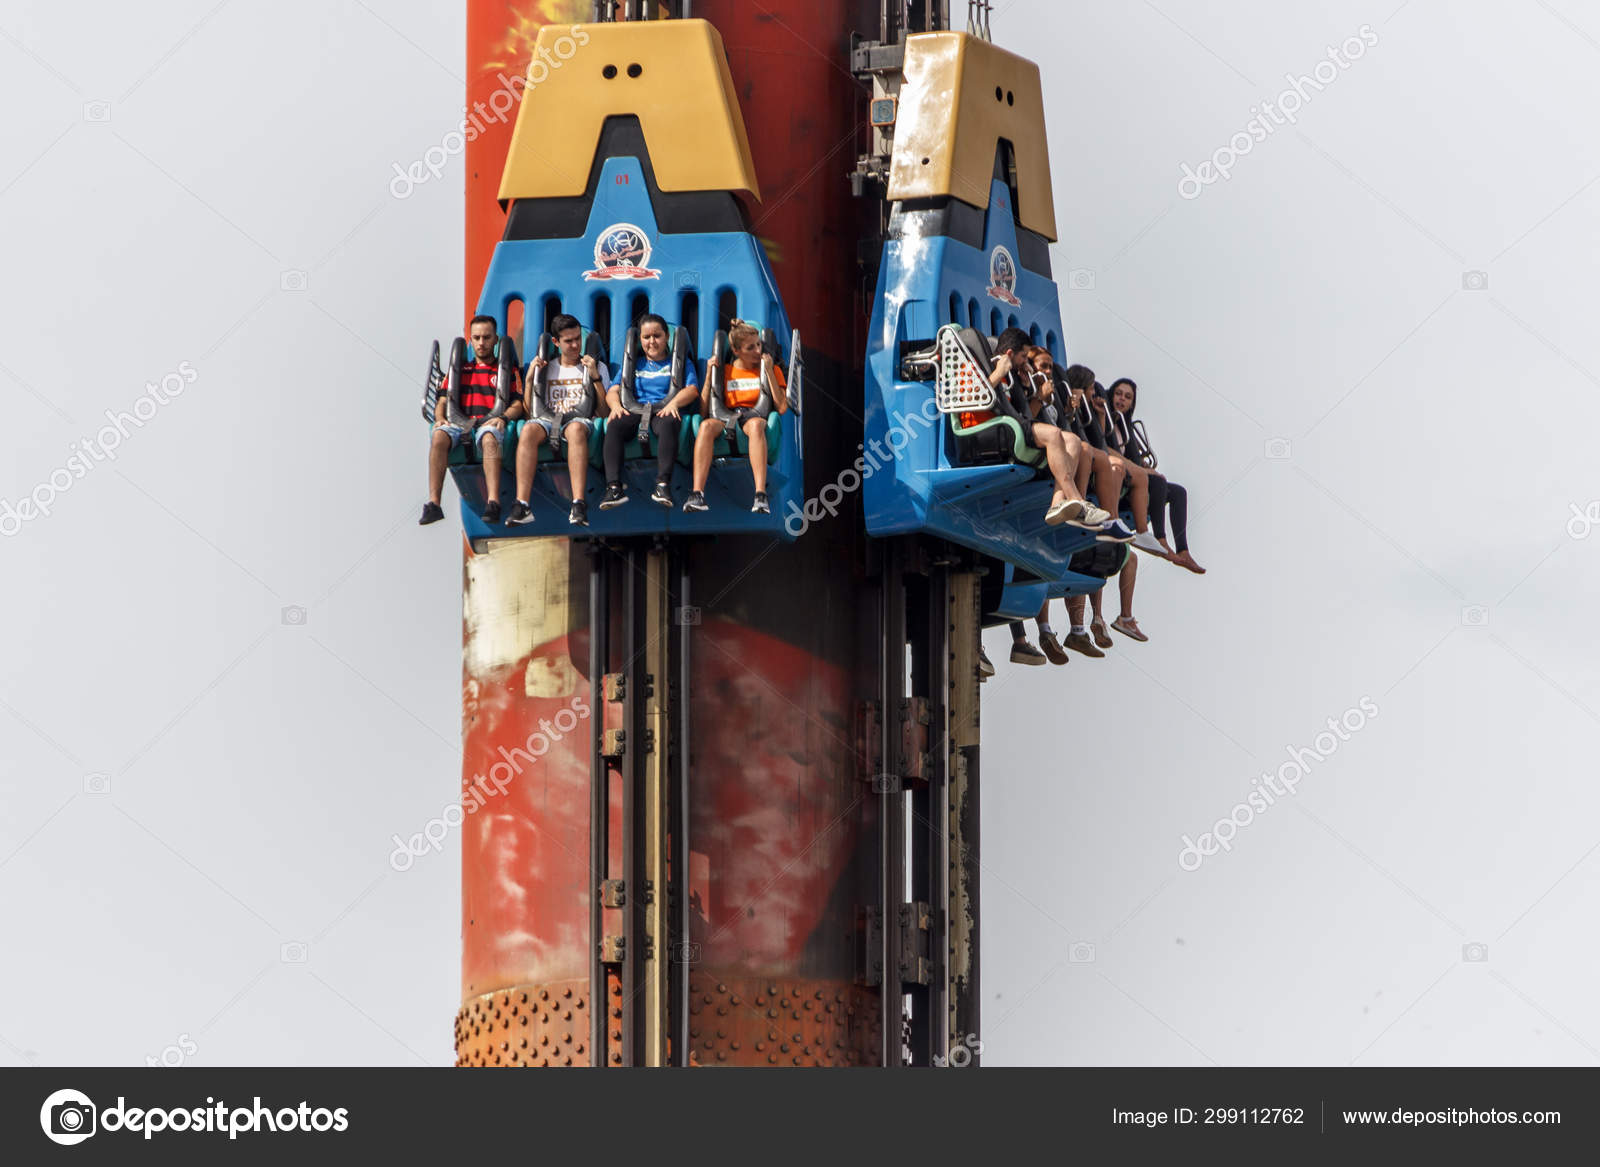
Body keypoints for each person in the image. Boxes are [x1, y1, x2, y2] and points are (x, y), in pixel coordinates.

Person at [507, 314, 608, 527]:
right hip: (547, 420)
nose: (574, 345)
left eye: (577, 339)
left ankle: (579, 503)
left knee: (575, 430)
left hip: (580, 420)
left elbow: (604, 412)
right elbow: (529, 413)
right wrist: (528, 380)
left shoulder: (595, 366)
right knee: (527, 430)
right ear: (556, 342)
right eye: (568, 341)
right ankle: (522, 504)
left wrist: (595, 377)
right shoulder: (547, 369)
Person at [421, 315, 524, 525]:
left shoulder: (507, 371)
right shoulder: (459, 371)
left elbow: (518, 404)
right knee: (439, 436)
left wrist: (503, 418)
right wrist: (440, 419)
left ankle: (493, 501)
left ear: (495, 340)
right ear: (470, 339)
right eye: (476, 338)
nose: (481, 343)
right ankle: (434, 503)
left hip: (490, 423)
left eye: (486, 338)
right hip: (460, 424)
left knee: (489, 439)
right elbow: (442, 401)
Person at [684, 319, 788, 514]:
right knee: (705, 426)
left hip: (753, 418)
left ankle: (760, 494)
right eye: (751, 348)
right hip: (726, 418)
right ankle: (697, 493)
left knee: (756, 425)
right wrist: (708, 375)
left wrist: (770, 373)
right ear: (736, 351)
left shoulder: (771, 369)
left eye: (758, 345)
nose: (758, 351)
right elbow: (704, 410)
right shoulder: (726, 372)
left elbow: (782, 407)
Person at [599, 314, 699, 510]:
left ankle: (662, 485)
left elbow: (692, 390)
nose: (652, 341)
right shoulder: (633, 364)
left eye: (657, 336)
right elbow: (613, 390)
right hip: (636, 408)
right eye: (646, 337)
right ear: (640, 340)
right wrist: (615, 406)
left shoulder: (679, 363)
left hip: (663, 410)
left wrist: (675, 403)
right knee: (615, 425)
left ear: (666, 337)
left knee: (669, 422)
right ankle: (613, 487)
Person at [1108, 377, 1205, 574]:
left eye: (1127, 397)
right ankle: (1160, 539)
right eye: (1118, 394)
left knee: (1178, 492)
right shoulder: (1104, 421)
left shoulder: (1126, 427)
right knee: (1157, 481)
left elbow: (1131, 456)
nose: (1121, 400)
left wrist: (1141, 465)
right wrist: (1142, 470)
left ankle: (1183, 549)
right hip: (1117, 480)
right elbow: (1104, 449)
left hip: (1134, 478)